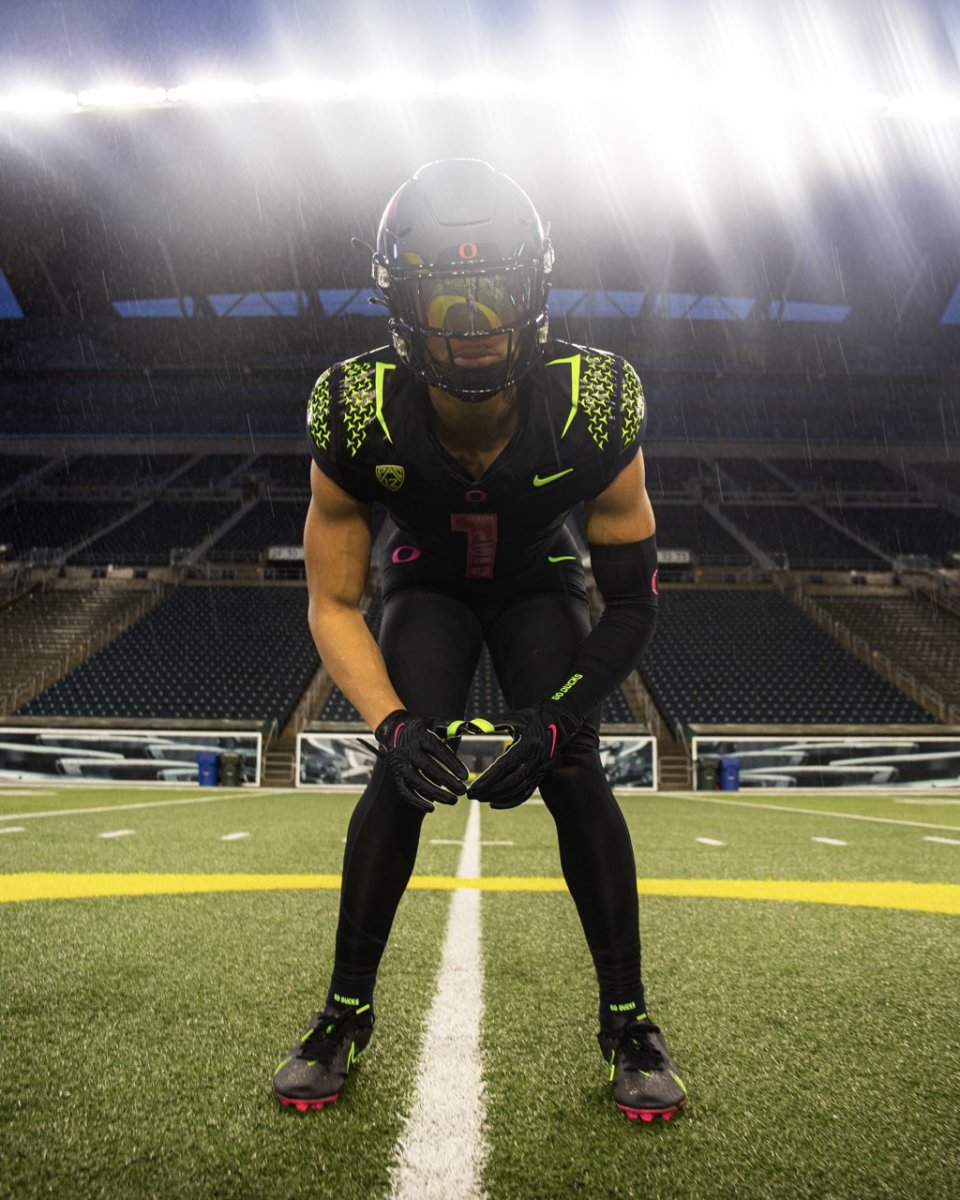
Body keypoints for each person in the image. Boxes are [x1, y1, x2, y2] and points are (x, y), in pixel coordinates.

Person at [273, 158, 687, 1122]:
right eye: (444, 297)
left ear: (533, 293)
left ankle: (629, 1019)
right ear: (400, 304)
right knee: (400, 773)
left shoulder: (594, 400)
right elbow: (334, 604)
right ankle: (343, 1012)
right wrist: (387, 724)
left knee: (577, 766)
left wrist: (558, 718)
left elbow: (631, 602)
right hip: (428, 588)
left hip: (541, 588)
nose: (471, 325)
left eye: (492, 294)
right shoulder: (353, 406)